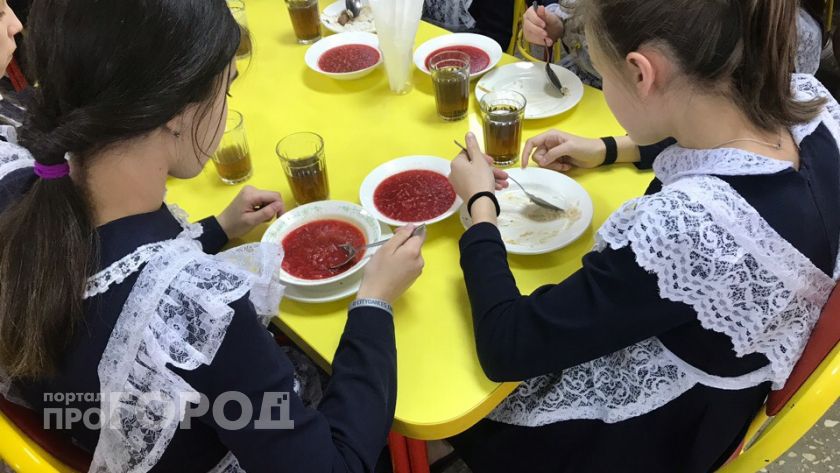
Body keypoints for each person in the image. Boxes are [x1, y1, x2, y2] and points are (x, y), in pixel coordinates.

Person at [0, 1, 425, 472]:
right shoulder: (199, 313)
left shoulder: (25, 193)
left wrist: (217, 229)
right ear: (177, 112)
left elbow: (119, 275)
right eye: (227, 89)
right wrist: (374, 301)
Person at [447, 0, 839, 472]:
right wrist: (608, 149)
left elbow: (507, 346)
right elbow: (713, 132)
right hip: (730, 377)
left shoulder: (690, 226)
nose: (606, 90)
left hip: (661, 436)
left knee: (449, 394)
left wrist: (480, 207)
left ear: (640, 73)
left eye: (604, 76)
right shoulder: (812, 107)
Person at [524, 0, 825, 89]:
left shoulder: (790, 32)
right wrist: (554, 22)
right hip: (580, 89)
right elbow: (574, 10)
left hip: (653, 119)